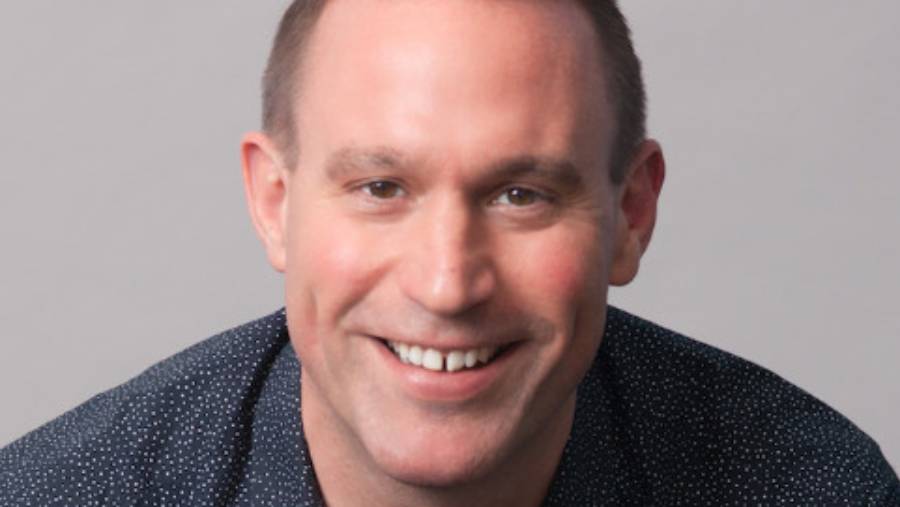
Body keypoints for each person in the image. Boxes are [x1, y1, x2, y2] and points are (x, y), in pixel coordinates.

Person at [1, 0, 897, 505]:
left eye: (521, 194)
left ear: (631, 211)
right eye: (380, 187)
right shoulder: (58, 494)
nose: (446, 282)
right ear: (275, 204)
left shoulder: (815, 487)